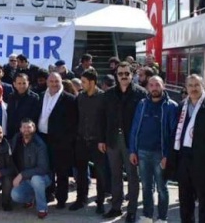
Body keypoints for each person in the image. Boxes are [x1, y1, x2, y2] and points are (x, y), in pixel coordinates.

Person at [169, 74, 205, 223]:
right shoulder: (181, 106)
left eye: (196, 85)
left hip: (203, 161)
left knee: (204, 200)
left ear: (203, 86)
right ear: (186, 87)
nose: (193, 88)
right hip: (183, 160)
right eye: (190, 85)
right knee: (185, 199)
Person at [128, 76, 178, 223]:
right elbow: (135, 127)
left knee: (162, 188)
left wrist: (167, 155)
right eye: (151, 85)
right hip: (142, 152)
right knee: (146, 187)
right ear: (148, 87)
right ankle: (147, 216)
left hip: (160, 154)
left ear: (163, 86)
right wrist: (133, 150)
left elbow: (173, 133)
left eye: (157, 84)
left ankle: (162, 218)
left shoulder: (171, 106)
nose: (154, 87)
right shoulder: (142, 104)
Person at [102, 62, 147, 222]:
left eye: (126, 73)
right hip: (113, 139)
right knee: (115, 175)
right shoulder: (108, 94)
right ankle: (115, 207)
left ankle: (132, 210)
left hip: (132, 141)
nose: (123, 76)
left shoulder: (141, 93)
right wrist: (102, 139)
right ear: (116, 75)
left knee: (132, 176)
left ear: (131, 74)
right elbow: (102, 118)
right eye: (120, 73)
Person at [37, 73, 77, 208]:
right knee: (46, 169)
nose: (54, 84)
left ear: (61, 82)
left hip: (61, 141)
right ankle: (49, 193)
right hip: (42, 137)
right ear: (47, 82)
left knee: (62, 171)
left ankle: (61, 199)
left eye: (57, 81)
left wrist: (67, 141)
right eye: (51, 81)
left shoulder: (70, 99)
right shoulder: (41, 96)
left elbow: (73, 123)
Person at [70, 69, 107, 214]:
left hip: (98, 142)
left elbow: (106, 121)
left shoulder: (103, 98)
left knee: (100, 173)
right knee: (80, 171)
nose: (81, 84)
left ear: (92, 82)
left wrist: (103, 140)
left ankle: (100, 202)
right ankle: (81, 199)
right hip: (81, 140)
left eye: (84, 82)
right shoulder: (80, 97)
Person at [10, 119, 51, 219]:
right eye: (24, 127)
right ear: (20, 129)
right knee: (15, 195)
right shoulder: (16, 139)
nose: (26, 129)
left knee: (36, 179)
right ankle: (31, 199)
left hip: (42, 177)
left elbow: (43, 168)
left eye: (29, 127)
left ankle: (42, 208)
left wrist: (21, 175)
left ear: (34, 129)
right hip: (25, 179)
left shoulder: (39, 144)